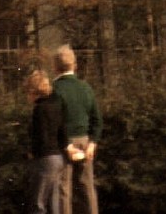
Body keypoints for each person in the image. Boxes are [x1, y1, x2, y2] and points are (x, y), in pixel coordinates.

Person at [53, 45, 102, 214]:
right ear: (75, 65)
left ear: (55, 67)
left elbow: (54, 122)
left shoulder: (55, 89)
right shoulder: (85, 88)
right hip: (84, 141)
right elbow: (97, 119)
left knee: (63, 190)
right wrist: (92, 143)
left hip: (63, 143)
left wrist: (66, 144)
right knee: (87, 187)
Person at [25, 70, 67, 214]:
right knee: (54, 201)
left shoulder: (39, 110)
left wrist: (32, 152)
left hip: (45, 158)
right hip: (58, 158)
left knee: (38, 202)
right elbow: (63, 131)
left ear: (34, 92)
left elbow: (41, 136)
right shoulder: (56, 105)